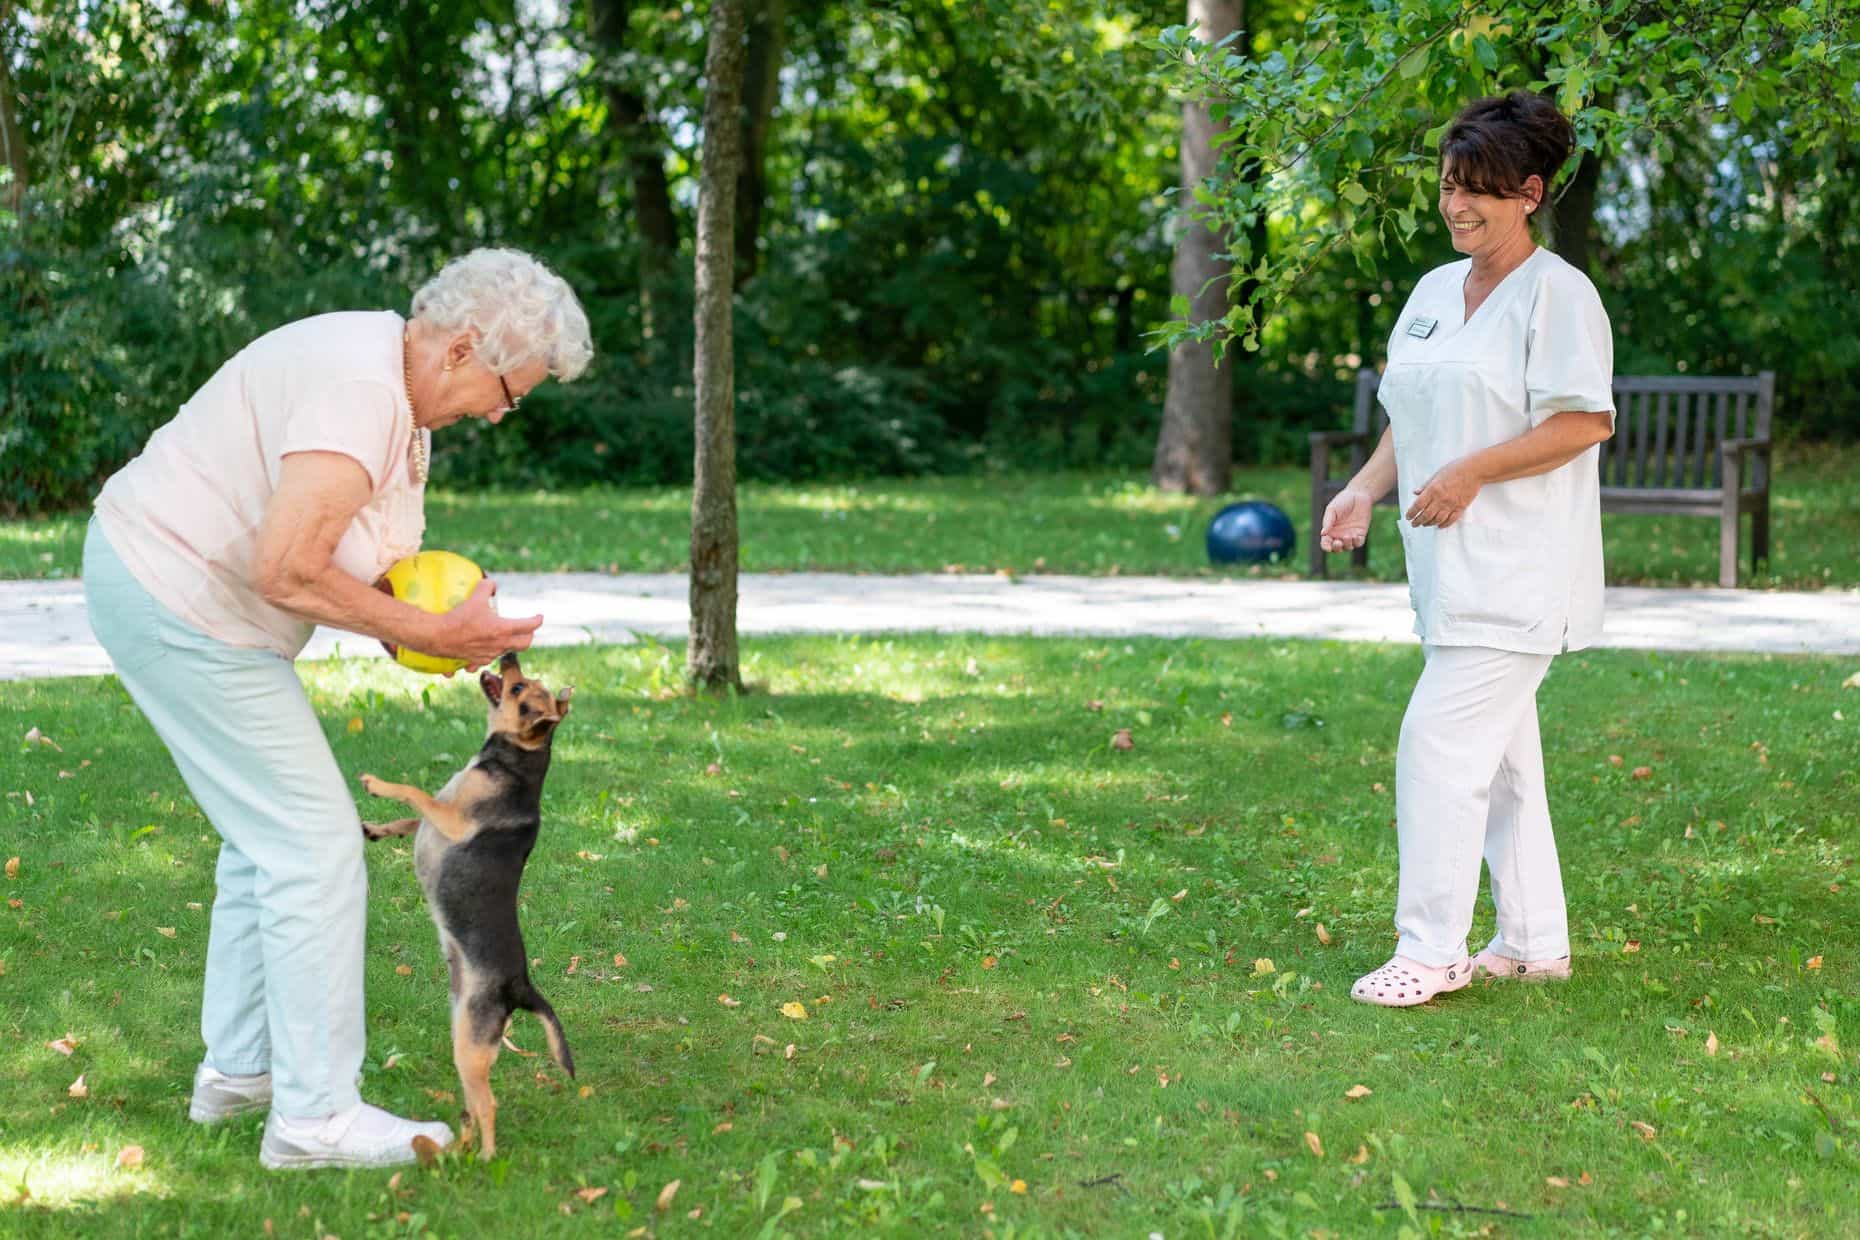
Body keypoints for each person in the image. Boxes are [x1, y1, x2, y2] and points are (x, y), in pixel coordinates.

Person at [83, 248, 592, 1165]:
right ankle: (315, 1121)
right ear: (465, 349)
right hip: (176, 597)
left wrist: (434, 624)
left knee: (266, 838)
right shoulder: (360, 393)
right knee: (314, 846)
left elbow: (348, 568)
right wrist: (435, 636)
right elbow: (282, 568)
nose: (505, 412)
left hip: (187, 600)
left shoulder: (397, 401)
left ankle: (240, 1073)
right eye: (512, 390)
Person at [1317, 94, 1615, 1007]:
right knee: (1506, 767)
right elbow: (1413, 418)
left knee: (1438, 745)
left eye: (1478, 191)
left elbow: (1586, 421)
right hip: (1447, 573)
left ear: (1528, 193)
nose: (1456, 206)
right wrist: (1364, 488)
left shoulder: (1559, 293)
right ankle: (1531, 941)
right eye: (1448, 186)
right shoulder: (1431, 292)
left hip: (1522, 571)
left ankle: (1431, 949)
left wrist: (1474, 472)